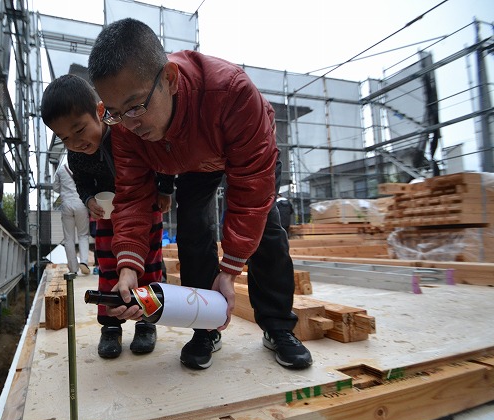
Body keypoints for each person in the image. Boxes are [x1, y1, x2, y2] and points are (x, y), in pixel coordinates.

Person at [88, 18, 312, 370]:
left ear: (171, 79)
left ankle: (278, 327)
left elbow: (250, 190)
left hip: (246, 149)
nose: (129, 124)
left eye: (134, 107)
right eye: (115, 113)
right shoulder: (124, 128)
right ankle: (205, 327)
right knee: (194, 230)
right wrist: (128, 266)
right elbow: (131, 198)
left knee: (265, 229)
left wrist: (231, 268)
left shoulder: (231, 92)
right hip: (191, 160)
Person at [41, 74, 175, 358]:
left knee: (149, 266)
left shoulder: (127, 134)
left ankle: (146, 324)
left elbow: (160, 159)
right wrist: (89, 199)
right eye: (65, 137)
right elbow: (82, 183)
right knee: (108, 266)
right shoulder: (76, 156)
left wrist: (164, 190)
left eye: (79, 130)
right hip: (108, 216)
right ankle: (111, 326)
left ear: (100, 112)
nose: (75, 142)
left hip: (145, 209)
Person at [52, 162, 91, 275]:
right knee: (83, 235)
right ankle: (83, 262)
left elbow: (55, 187)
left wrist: (65, 190)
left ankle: (73, 268)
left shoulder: (60, 170)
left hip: (66, 205)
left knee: (69, 238)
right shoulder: (82, 166)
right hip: (81, 204)